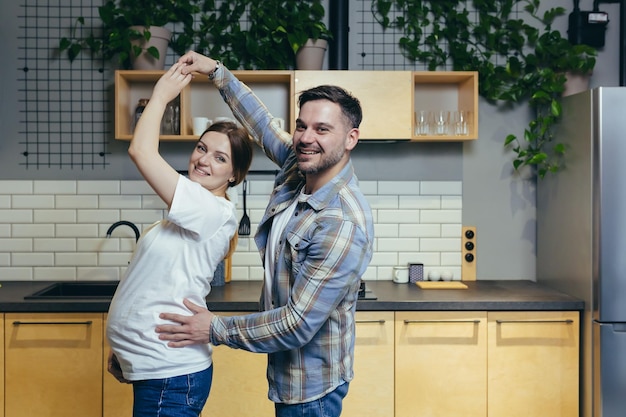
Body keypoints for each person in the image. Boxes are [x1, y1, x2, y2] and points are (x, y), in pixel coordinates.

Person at [155, 52, 374, 417]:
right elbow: (262, 124)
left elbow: (296, 324)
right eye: (302, 126)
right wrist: (217, 72)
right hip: (289, 377)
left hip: (311, 391)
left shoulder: (340, 221)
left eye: (322, 129)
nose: (306, 138)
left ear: (350, 138)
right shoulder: (299, 166)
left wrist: (214, 328)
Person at [106, 62, 253, 417]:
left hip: (171, 375)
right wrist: (128, 350)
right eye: (202, 148)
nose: (203, 160)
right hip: (156, 368)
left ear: (234, 175)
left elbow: (140, 152)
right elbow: (155, 283)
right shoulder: (190, 209)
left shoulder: (213, 210)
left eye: (220, 158)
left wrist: (160, 97)